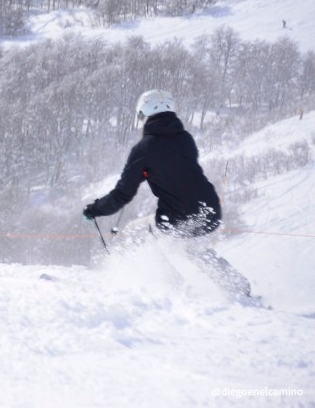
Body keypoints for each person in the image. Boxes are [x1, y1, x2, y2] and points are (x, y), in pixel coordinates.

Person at [82, 90, 252, 302]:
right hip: (210, 209)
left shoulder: (144, 149)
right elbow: (173, 168)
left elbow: (122, 193)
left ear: (144, 113)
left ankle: (172, 291)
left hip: (180, 216)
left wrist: (95, 209)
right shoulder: (185, 139)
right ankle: (236, 286)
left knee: (137, 232)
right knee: (190, 248)